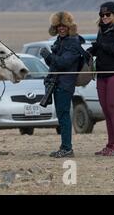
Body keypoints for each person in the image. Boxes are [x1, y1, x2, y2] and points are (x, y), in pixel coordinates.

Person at [88, 2, 114, 156]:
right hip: (102, 74)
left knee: (113, 108)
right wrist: (90, 50)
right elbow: (100, 48)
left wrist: (102, 45)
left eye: (108, 15)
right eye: (102, 15)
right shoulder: (102, 30)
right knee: (106, 110)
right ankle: (110, 144)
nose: (104, 17)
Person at [40, 12, 83, 158]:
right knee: (61, 115)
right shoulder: (60, 40)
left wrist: (49, 55)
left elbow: (64, 63)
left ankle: (67, 148)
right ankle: (65, 147)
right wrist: (48, 58)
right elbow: (54, 64)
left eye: (64, 25)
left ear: (69, 26)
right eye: (58, 26)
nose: (61, 28)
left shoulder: (73, 42)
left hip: (65, 84)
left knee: (64, 115)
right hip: (57, 82)